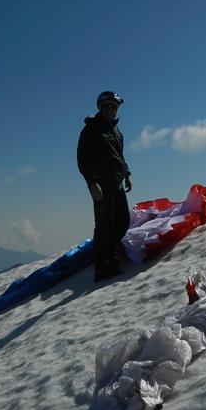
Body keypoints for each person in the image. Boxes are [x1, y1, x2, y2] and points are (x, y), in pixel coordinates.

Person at [77, 91, 132, 281]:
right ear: (100, 108)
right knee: (103, 227)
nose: (110, 109)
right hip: (102, 186)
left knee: (123, 221)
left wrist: (127, 175)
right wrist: (92, 183)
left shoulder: (115, 131)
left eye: (113, 106)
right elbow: (83, 160)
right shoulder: (91, 130)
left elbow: (119, 156)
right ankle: (101, 268)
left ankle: (108, 256)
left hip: (116, 183)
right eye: (106, 106)